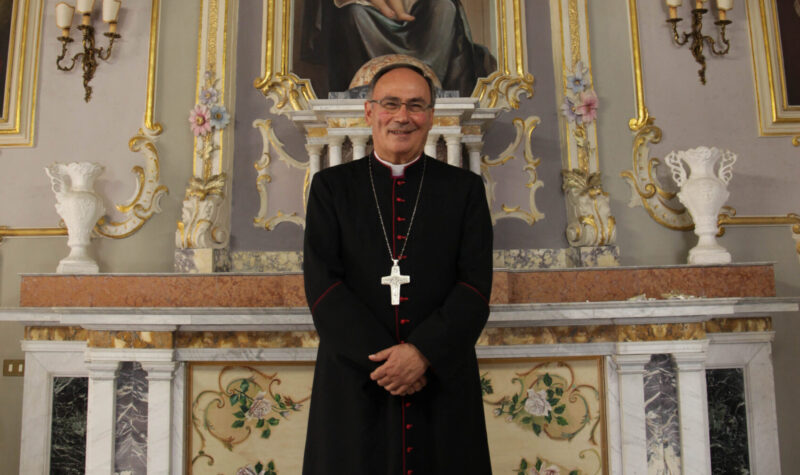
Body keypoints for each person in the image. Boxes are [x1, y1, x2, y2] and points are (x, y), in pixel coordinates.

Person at [302, 64, 494, 474]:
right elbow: (322, 287)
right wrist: (389, 365)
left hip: (440, 378)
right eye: (391, 104)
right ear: (369, 112)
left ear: (430, 116)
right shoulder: (331, 189)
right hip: (356, 382)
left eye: (416, 105)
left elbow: (475, 287)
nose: (402, 116)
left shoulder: (464, 191)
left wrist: (422, 353)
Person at [299, 0, 496, 97]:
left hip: (416, 14)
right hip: (372, 13)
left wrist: (400, 11)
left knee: (444, 6)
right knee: (354, 14)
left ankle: (429, 83)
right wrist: (387, 10)